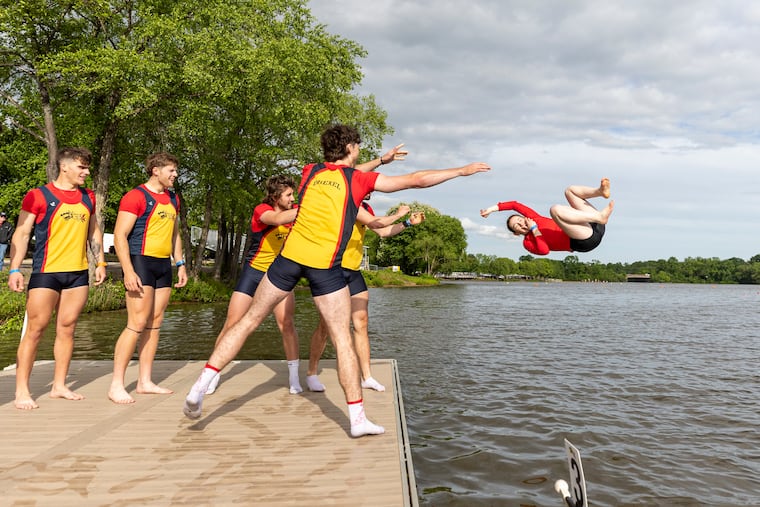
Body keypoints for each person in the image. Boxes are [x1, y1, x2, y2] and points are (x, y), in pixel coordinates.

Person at [183, 123, 490, 438]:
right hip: (325, 266)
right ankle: (357, 420)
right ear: (350, 149)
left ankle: (199, 388)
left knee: (247, 321)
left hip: (288, 259)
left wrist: (381, 161)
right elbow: (415, 180)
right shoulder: (357, 180)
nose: (359, 152)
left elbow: (349, 172)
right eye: (357, 147)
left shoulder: (310, 171)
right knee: (342, 338)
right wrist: (461, 171)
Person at [7, 147, 107, 410]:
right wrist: (15, 269)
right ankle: (21, 390)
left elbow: (94, 231)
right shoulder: (38, 196)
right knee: (35, 331)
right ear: (65, 167)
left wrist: (101, 262)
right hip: (45, 272)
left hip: (77, 273)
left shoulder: (89, 198)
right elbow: (21, 232)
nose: (86, 172)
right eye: (81, 167)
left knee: (68, 328)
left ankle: (59, 386)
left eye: (87, 168)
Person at [305, 197, 426, 393]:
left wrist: (407, 224)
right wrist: (399, 214)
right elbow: (377, 222)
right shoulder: (344, 201)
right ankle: (311, 373)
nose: (370, 189)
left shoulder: (366, 208)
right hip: (332, 269)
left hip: (352, 271)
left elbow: (383, 231)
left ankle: (367, 377)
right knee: (325, 325)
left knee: (361, 322)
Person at [204, 174, 302, 396]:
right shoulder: (262, 210)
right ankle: (212, 374)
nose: (292, 198)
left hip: (280, 274)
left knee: (286, 324)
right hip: (254, 271)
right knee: (232, 322)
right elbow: (277, 220)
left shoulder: (295, 211)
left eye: (293, 194)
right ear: (276, 196)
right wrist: (309, 207)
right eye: (288, 195)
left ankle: (294, 377)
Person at [108, 152, 188, 404]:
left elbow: (175, 233)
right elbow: (120, 235)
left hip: (163, 265)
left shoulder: (173, 198)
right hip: (140, 261)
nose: (175, 175)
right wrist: (128, 271)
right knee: (136, 322)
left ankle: (145, 381)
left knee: (155, 322)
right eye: (171, 170)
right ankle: (116, 385)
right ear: (156, 170)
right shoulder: (136, 196)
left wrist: (180, 263)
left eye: (175, 171)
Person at [480, 178, 614, 255]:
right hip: (584, 239)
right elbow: (544, 251)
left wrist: (491, 209)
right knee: (555, 210)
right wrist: (534, 230)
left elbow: (514, 205)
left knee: (569, 190)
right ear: (516, 233)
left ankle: (599, 192)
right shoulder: (528, 242)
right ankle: (598, 217)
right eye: (517, 226)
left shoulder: (534, 217)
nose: (521, 224)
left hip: (595, 225)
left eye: (520, 220)